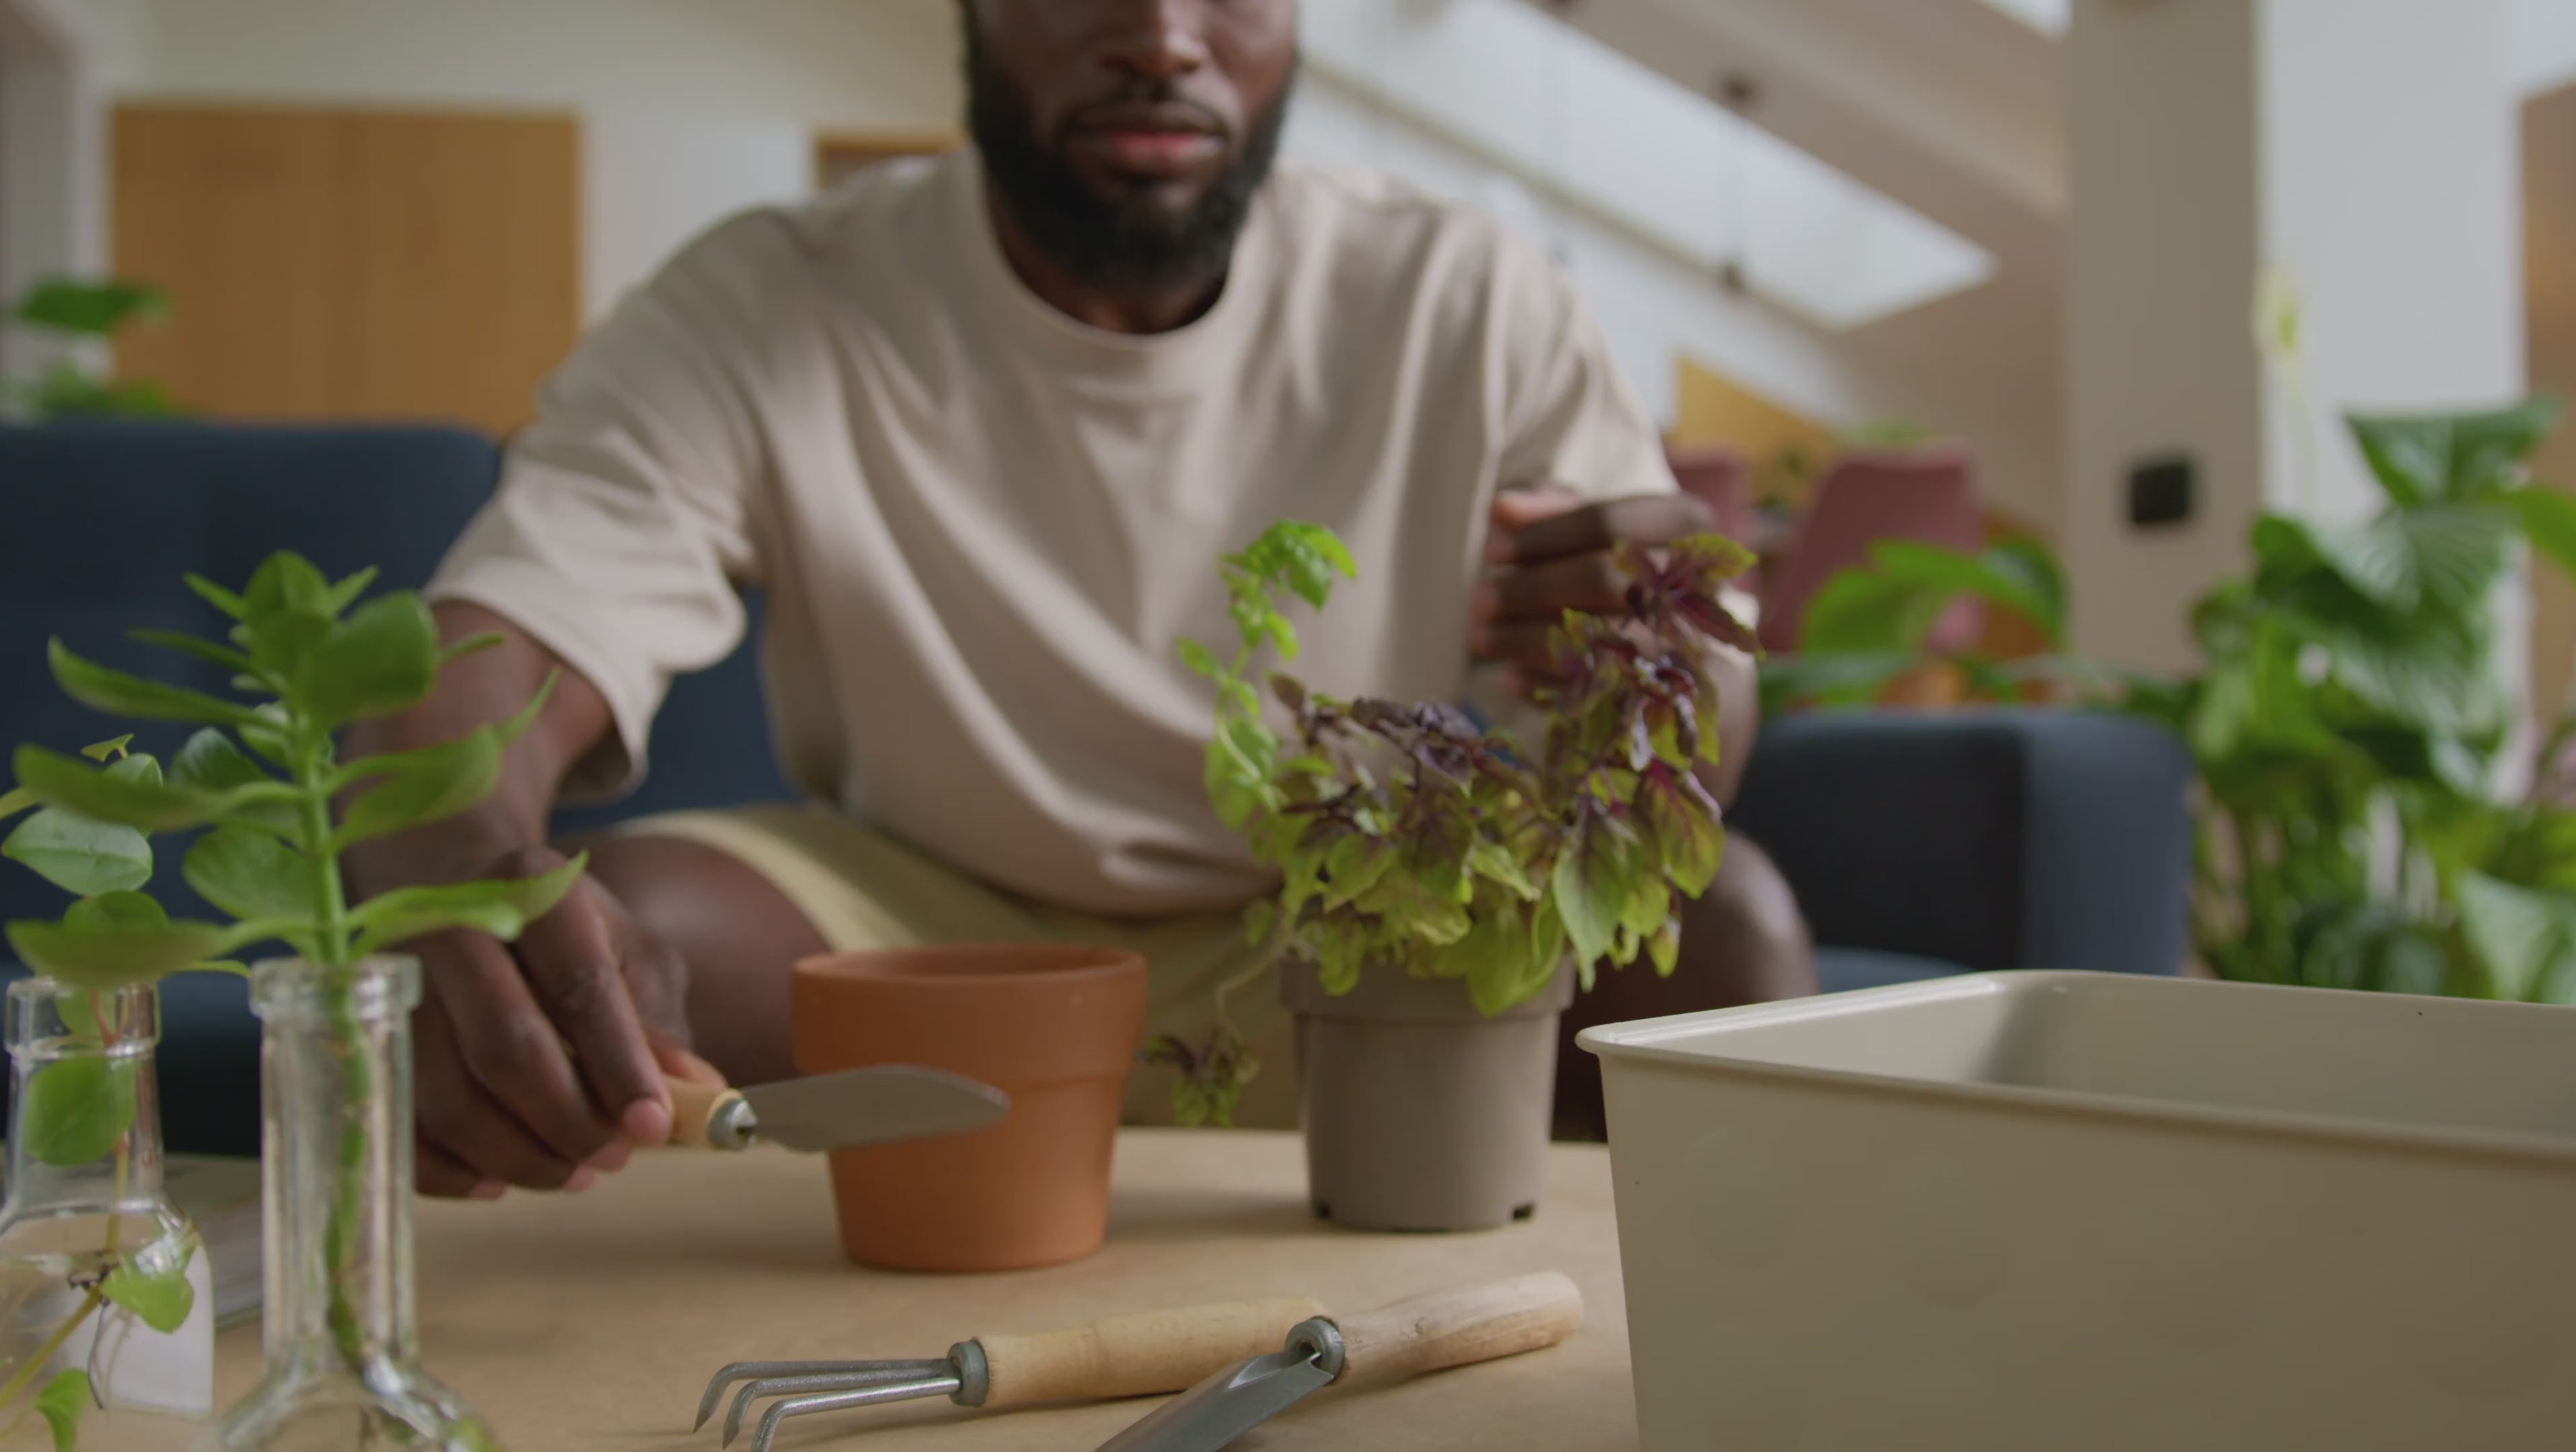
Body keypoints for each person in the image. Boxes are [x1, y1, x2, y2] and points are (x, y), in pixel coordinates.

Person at [346, 0, 1819, 1201]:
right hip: (933, 925)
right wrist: (446, 854)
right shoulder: (776, 296)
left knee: (1731, 930)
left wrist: (1680, 654)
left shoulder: (1463, 293)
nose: (1162, 35)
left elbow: (1686, 772)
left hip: (1369, 925)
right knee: (606, 930)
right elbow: (518, 617)